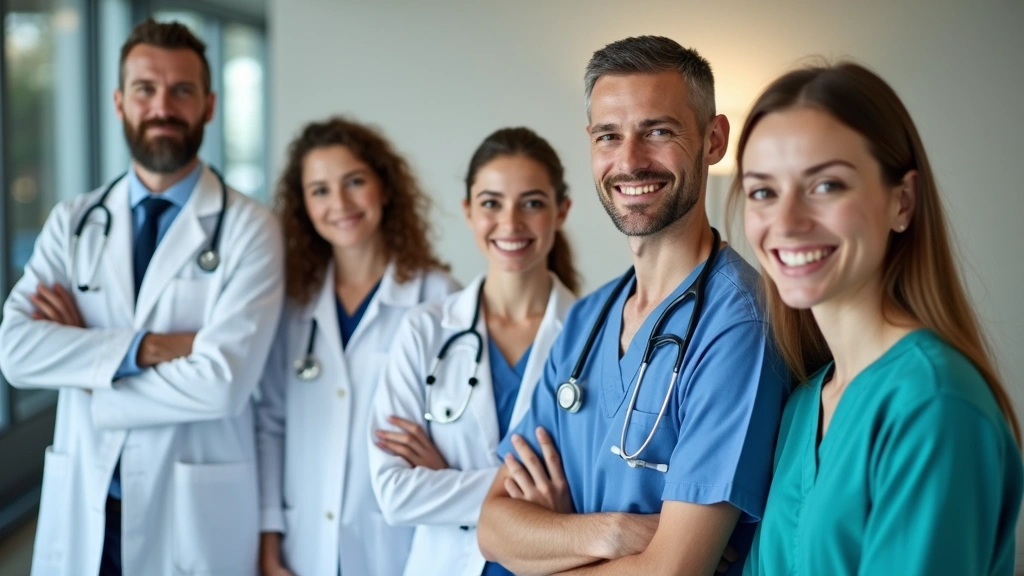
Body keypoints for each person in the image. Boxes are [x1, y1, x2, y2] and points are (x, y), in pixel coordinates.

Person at [476, 36, 789, 575]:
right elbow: (493, 526)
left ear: (713, 140)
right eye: (608, 136)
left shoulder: (739, 325)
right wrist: (617, 533)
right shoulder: (586, 322)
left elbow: (671, 571)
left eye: (658, 131)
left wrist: (551, 545)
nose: (629, 161)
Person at [0, 18, 284, 575]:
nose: (162, 106)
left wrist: (87, 366)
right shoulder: (74, 221)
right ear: (118, 102)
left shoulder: (252, 228)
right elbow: (15, 353)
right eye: (145, 90)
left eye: (182, 90)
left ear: (209, 105)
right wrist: (148, 348)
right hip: (86, 502)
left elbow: (223, 384)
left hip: (190, 515)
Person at [736, 62, 1023, 576]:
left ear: (902, 202)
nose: (786, 222)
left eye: (825, 185)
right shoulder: (804, 404)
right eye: (763, 191)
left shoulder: (933, 404)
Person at [368, 127, 579, 576]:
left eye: (533, 203)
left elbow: (595, 489)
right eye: (491, 203)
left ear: (561, 211)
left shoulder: (592, 336)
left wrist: (444, 478)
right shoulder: (425, 329)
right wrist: (525, 496)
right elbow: (394, 493)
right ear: (467, 211)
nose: (510, 223)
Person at [255, 117, 459, 576]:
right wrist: (269, 545)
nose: (340, 203)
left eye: (354, 182)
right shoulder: (292, 303)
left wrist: (444, 468)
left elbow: (465, 426)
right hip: (303, 549)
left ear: (384, 188)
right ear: (304, 205)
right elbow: (270, 425)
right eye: (320, 190)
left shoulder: (438, 298)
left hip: (399, 547)